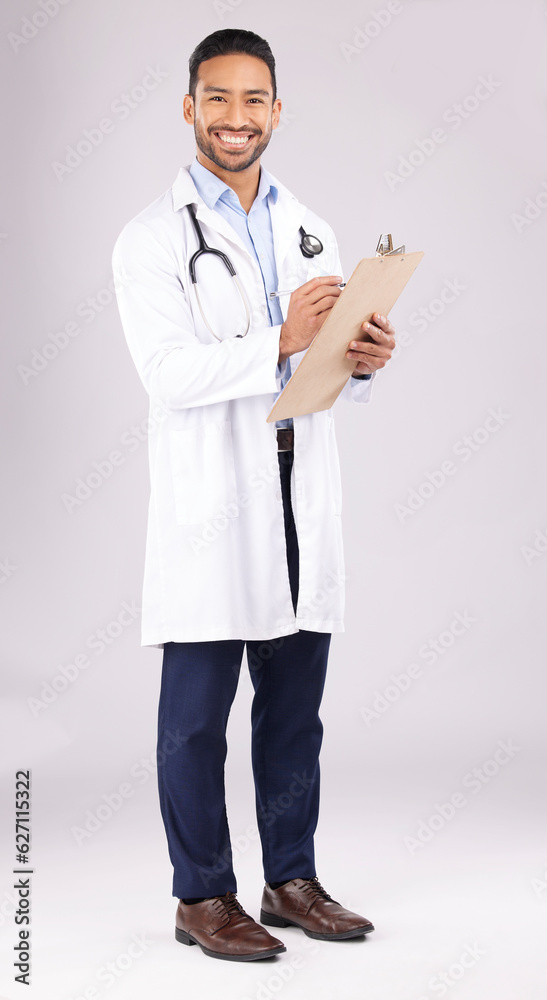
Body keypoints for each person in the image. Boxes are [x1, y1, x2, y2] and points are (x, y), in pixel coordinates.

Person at [112, 28, 396, 963]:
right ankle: (201, 895)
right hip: (211, 507)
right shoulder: (151, 238)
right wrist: (282, 336)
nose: (237, 118)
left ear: (278, 110)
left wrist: (360, 359)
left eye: (254, 100)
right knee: (194, 722)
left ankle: (290, 878)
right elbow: (167, 372)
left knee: (292, 713)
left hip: (295, 493)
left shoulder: (308, 225)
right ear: (189, 108)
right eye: (218, 99)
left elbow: (318, 372)